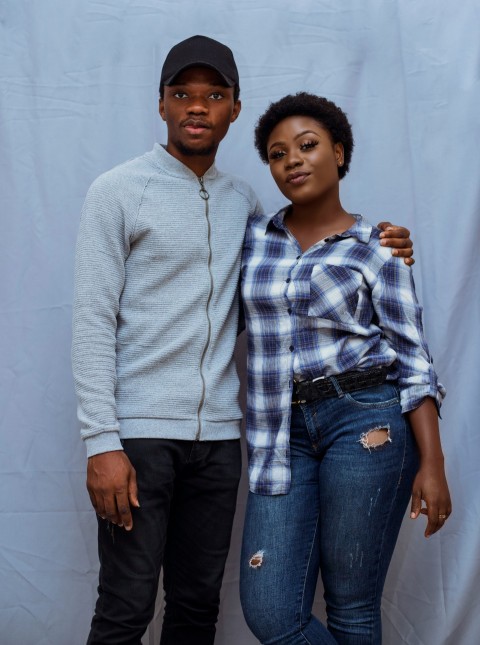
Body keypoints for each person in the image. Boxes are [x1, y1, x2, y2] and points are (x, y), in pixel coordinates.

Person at [72, 36, 414, 644]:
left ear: (232, 108)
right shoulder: (117, 191)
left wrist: (382, 247)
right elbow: (92, 319)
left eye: (214, 95)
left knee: (198, 606)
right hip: (141, 435)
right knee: (125, 606)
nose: (197, 107)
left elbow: (296, 288)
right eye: (183, 94)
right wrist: (102, 440)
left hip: (224, 441)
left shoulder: (247, 207)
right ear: (161, 106)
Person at [239, 93, 451, 645]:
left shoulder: (378, 249)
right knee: (271, 614)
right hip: (277, 432)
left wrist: (433, 463)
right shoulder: (252, 241)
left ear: (338, 151)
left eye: (307, 146)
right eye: (277, 153)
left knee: (352, 606)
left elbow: (413, 359)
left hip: (365, 421)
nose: (292, 160)